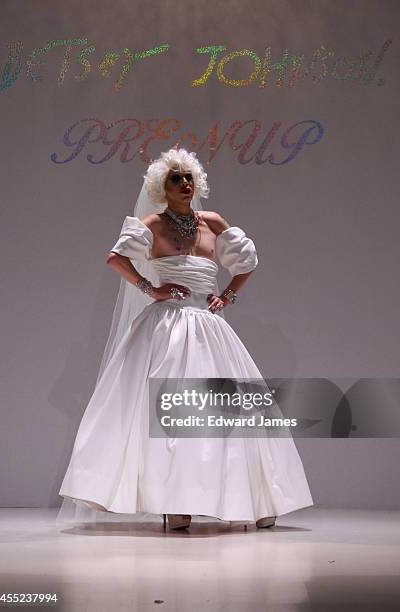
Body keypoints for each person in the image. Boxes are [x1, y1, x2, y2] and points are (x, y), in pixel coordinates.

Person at [57, 148, 314, 531]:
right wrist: (150, 288)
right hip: (165, 330)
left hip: (208, 328)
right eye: (175, 178)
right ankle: (176, 502)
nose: (185, 183)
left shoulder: (211, 222)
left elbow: (246, 262)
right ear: (162, 186)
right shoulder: (154, 224)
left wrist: (227, 295)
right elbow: (116, 258)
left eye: (189, 176)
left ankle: (255, 497)